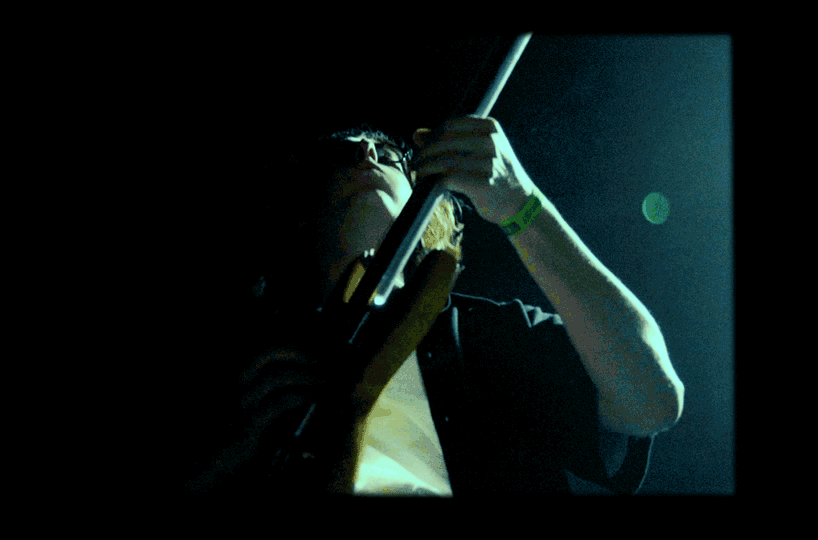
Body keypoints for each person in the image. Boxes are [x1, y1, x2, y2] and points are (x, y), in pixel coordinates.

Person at [185, 115, 685, 495]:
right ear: (298, 212)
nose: (366, 150)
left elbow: (653, 399)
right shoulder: (240, 369)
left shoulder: (487, 330)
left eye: (389, 155)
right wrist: (218, 466)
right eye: (340, 156)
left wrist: (520, 202)